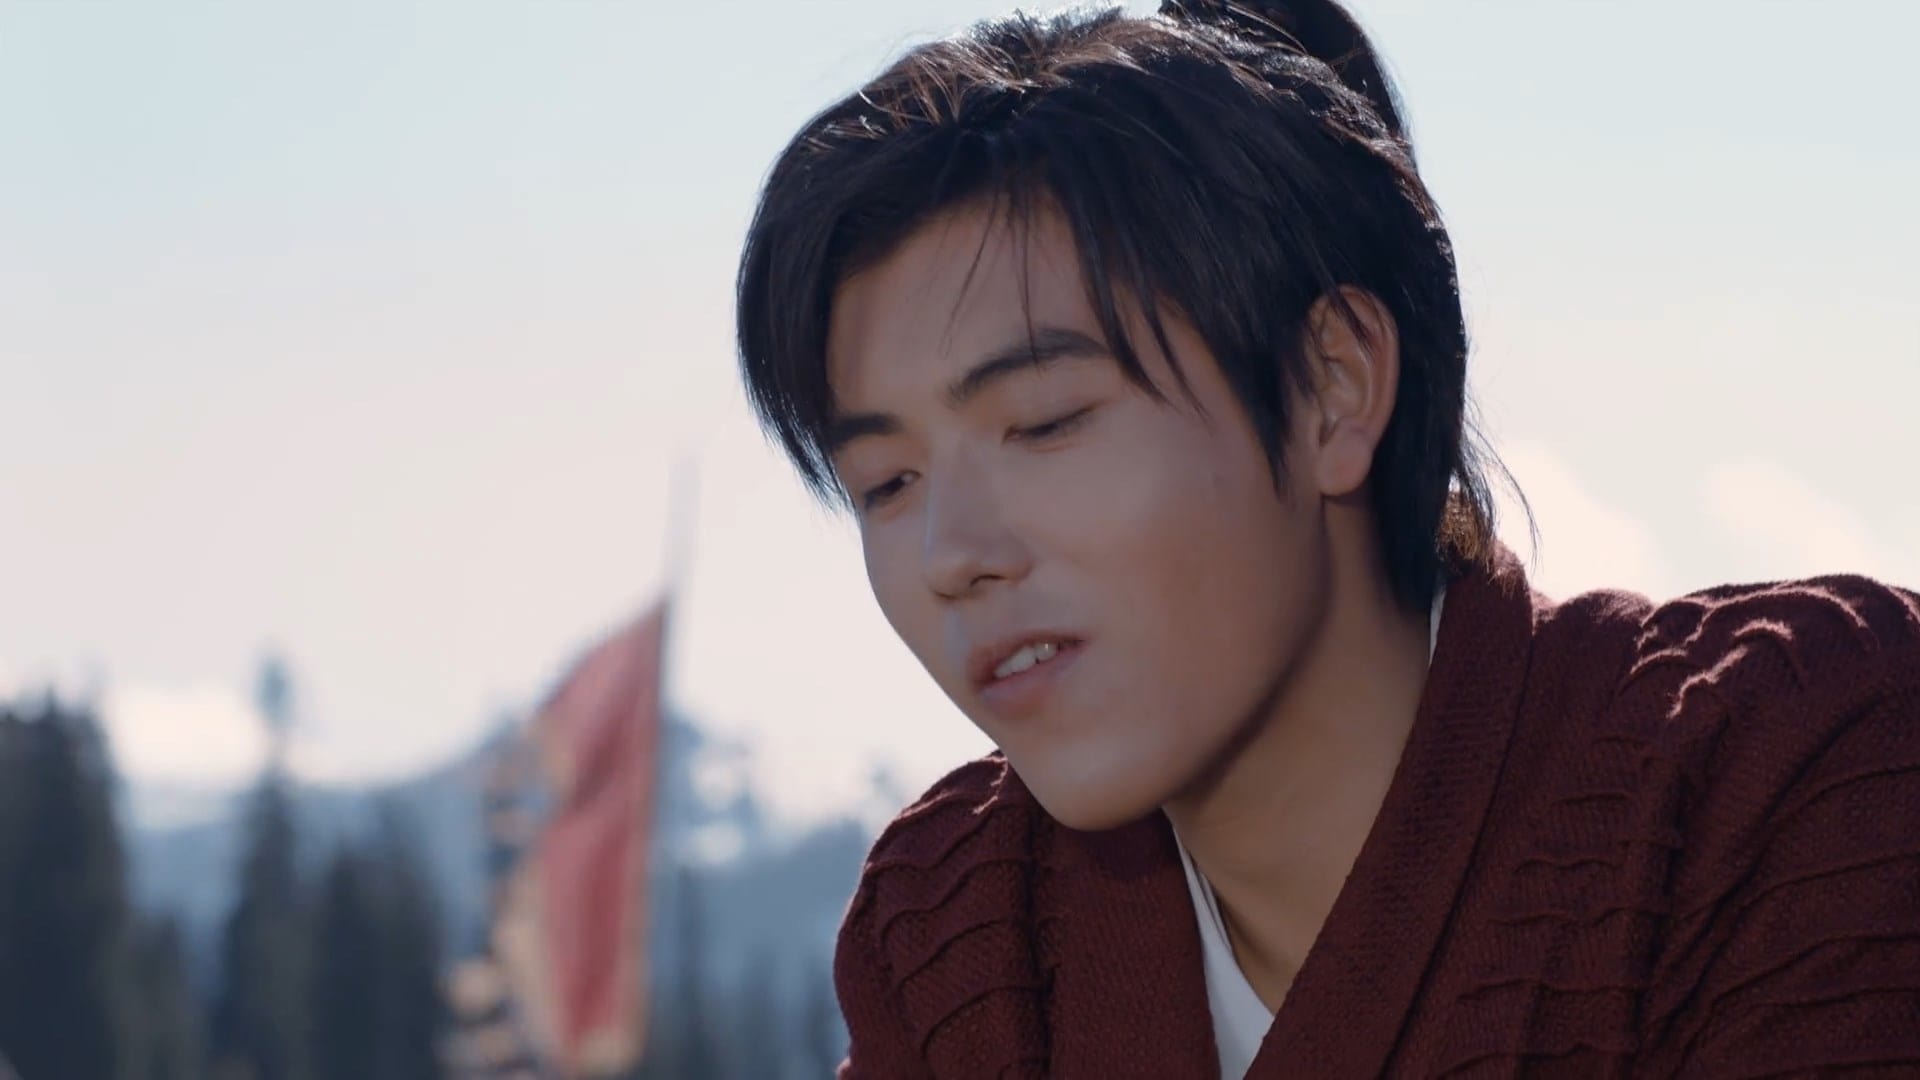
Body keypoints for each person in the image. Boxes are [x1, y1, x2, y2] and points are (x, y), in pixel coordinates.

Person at [734, 1, 1920, 1075]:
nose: (952, 554)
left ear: (1331, 388)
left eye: (1044, 423)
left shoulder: (1779, 771)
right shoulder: (961, 931)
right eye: (886, 483)